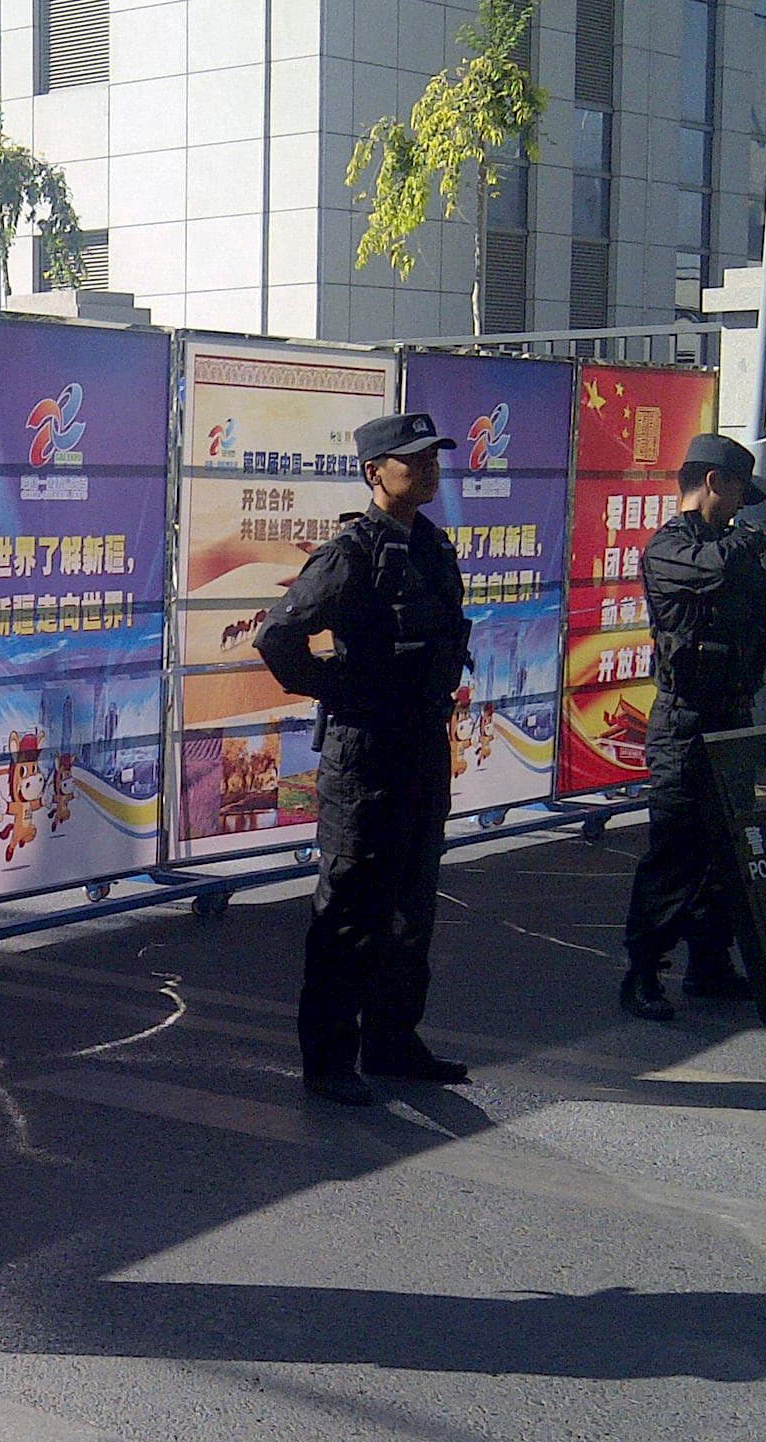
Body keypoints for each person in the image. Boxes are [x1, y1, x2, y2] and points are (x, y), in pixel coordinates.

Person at [255, 411, 474, 1106]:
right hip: (365, 753)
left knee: (412, 904)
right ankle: (328, 1060)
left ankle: (392, 1040)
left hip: (420, 746)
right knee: (351, 905)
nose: (430, 469)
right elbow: (279, 639)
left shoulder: (434, 549)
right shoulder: (350, 553)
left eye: (435, 457)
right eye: (413, 460)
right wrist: (342, 689)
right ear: (375, 472)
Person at [617, 433, 766, 1020]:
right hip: (684, 720)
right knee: (675, 852)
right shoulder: (671, 547)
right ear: (714, 483)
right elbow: (715, 574)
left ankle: (711, 963)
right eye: (740, 493)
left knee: (732, 850)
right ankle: (643, 972)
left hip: (734, 714)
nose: (743, 509)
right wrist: (752, 546)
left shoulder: (733, 547)